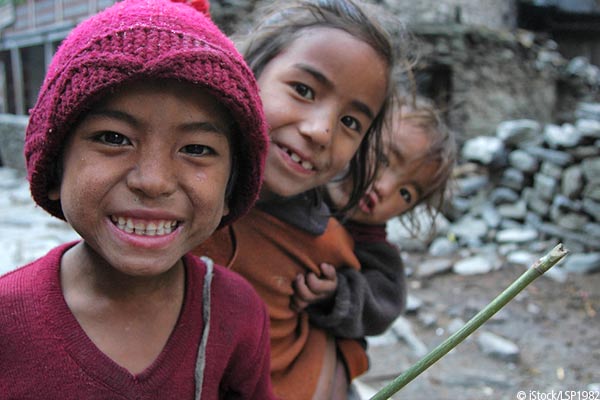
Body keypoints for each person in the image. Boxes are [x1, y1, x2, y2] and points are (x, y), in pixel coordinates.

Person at [0, 0, 277, 399]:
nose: (153, 181)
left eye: (196, 148)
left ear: (231, 188)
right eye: (114, 138)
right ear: (54, 167)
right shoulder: (7, 322)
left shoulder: (236, 313)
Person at [192, 1, 410, 398]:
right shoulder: (180, 192)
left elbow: (375, 303)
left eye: (350, 122)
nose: (321, 131)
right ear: (249, 72)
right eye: (303, 90)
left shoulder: (325, 239)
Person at [293, 96, 457, 395]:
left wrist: (338, 294)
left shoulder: (373, 249)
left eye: (406, 193)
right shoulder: (295, 184)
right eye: (382, 159)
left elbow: (384, 304)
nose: (385, 188)